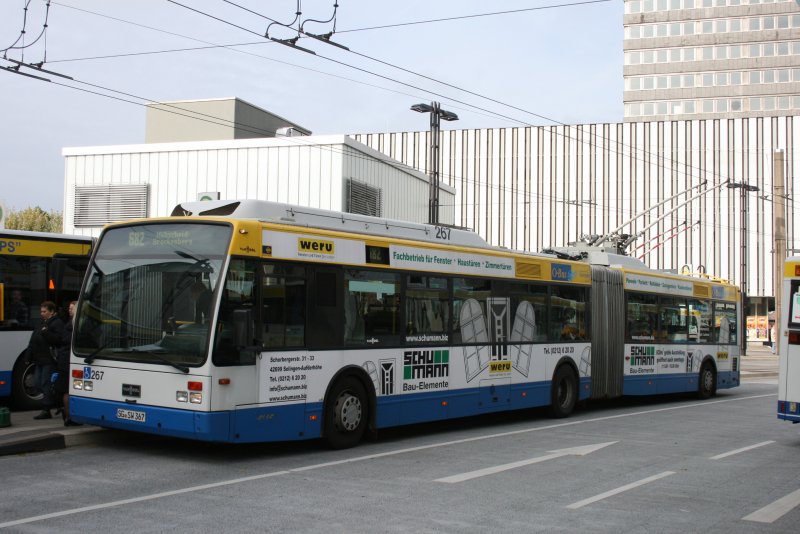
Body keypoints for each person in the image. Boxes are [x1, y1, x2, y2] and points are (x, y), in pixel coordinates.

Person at [27, 301, 66, 419]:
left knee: (46, 383)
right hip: (39, 359)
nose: (42, 313)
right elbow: (33, 340)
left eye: (44, 311)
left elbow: (58, 340)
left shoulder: (57, 323)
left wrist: (46, 333)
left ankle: (46, 409)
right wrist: (28, 356)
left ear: (52, 312)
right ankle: (57, 403)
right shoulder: (41, 323)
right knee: (38, 384)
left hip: (49, 359)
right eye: (41, 311)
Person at [55, 301, 80, 426]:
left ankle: (67, 415)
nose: (69, 310)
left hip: (64, 360)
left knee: (66, 390)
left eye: (72, 308)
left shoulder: (68, 324)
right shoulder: (75, 324)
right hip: (68, 361)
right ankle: (70, 416)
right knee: (68, 390)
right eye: (69, 308)